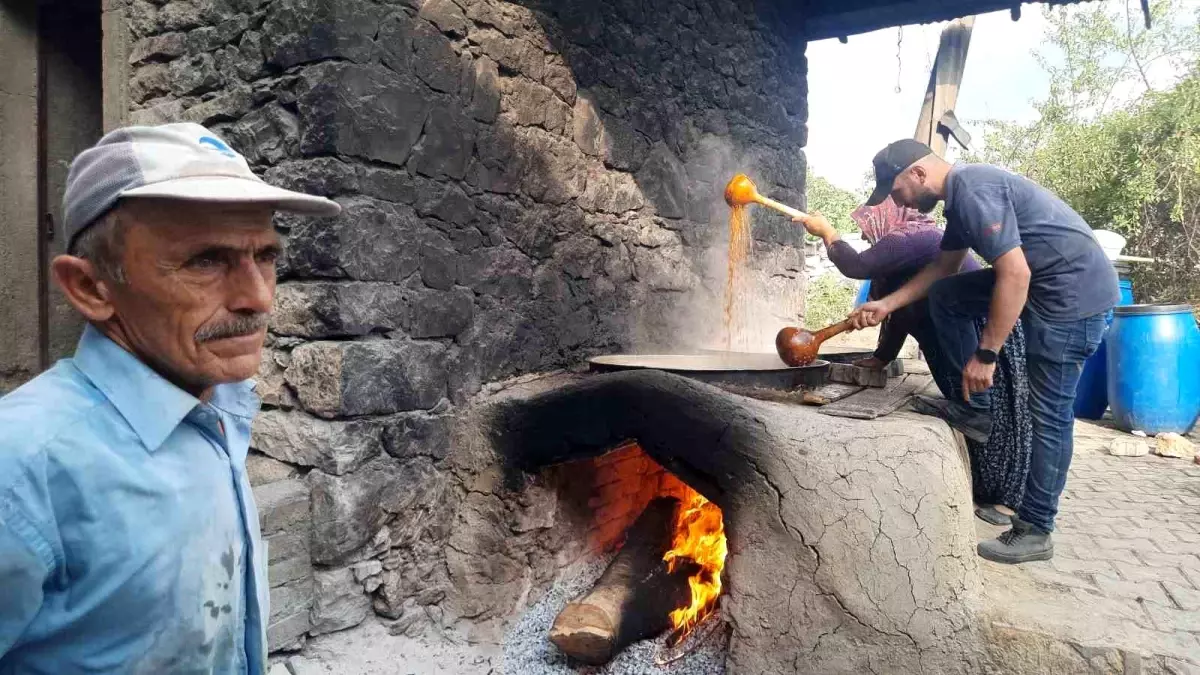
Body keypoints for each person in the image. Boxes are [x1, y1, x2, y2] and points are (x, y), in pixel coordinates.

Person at [0, 123, 341, 673]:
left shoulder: (216, 404)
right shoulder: (21, 466)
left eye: (267, 256)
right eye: (205, 261)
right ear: (91, 288)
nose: (258, 298)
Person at [849, 139, 1117, 564]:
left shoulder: (973, 190)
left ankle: (1035, 528)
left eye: (896, 190)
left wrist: (987, 354)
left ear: (918, 174)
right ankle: (976, 409)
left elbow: (1015, 272)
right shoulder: (960, 200)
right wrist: (886, 305)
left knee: (1048, 414)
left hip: (1071, 299)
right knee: (947, 295)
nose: (898, 201)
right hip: (1045, 285)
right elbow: (944, 269)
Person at [796, 198, 1032, 526]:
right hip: (946, 346)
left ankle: (1010, 501)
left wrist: (827, 233)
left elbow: (856, 267)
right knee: (966, 413)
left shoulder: (914, 239)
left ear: (884, 219)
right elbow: (897, 315)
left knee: (996, 416)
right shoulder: (894, 265)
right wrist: (882, 357)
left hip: (982, 338)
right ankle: (985, 489)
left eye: (866, 230)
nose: (866, 238)